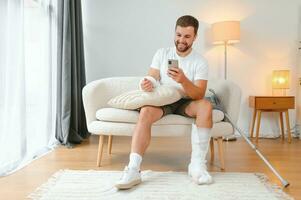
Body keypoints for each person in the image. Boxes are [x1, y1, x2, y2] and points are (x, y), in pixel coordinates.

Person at [115, 15, 213, 189]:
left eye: (187, 36)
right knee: (145, 111)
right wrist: (148, 83)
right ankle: (133, 169)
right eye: (178, 35)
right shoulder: (162, 53)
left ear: (195, 37)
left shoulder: (200, 62)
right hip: (163, 100)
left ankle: (197, 165)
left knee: (205, 106)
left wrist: (183, 80)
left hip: (186, 101)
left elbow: (199, 94)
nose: (181, 40)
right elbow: (152, 76)